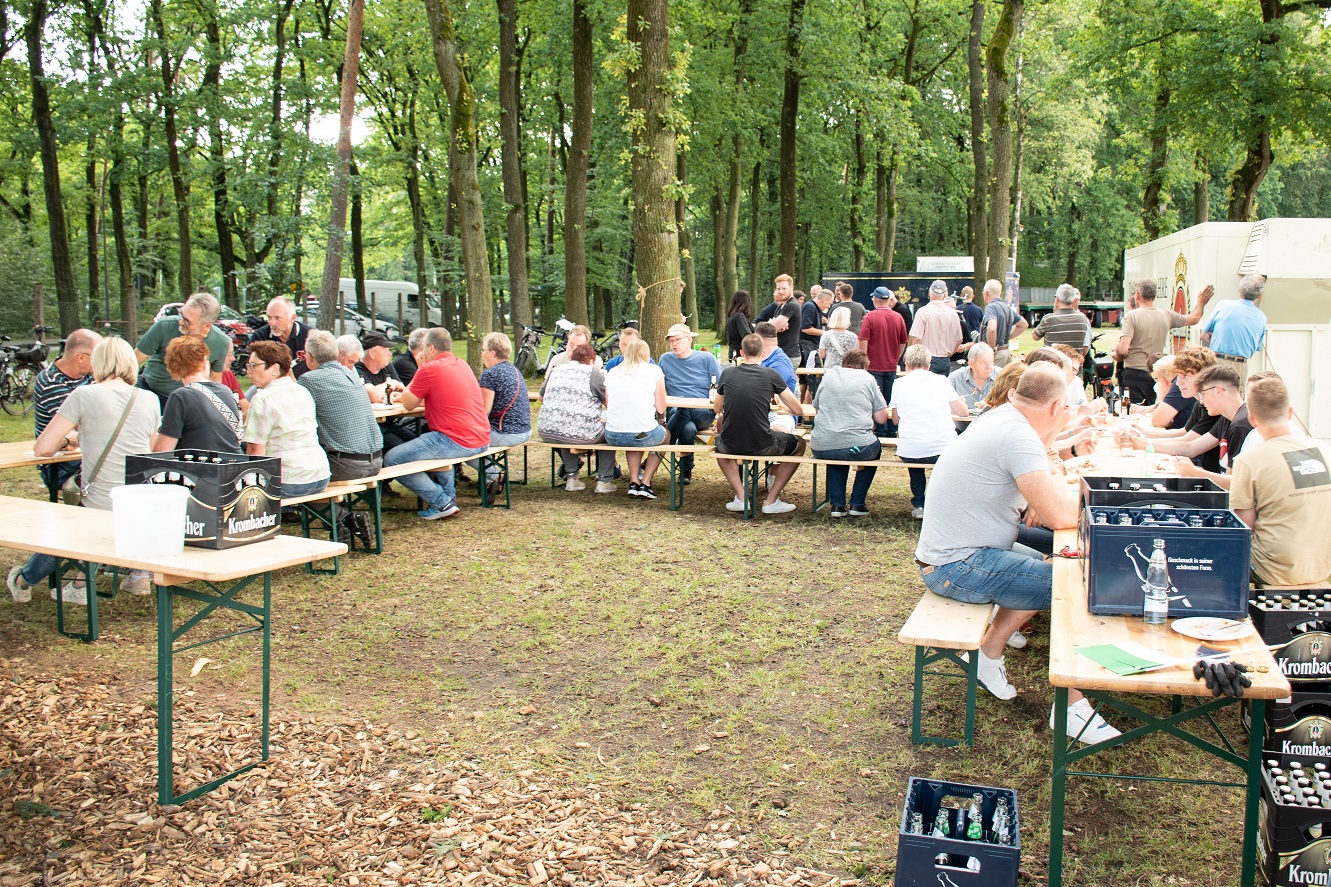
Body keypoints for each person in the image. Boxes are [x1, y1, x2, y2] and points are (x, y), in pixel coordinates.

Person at [915, 362, 1120, 744]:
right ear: (1056, 407)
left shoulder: (1004, 419)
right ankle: (1072, 708)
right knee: (1076, 587)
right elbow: (1060, 515)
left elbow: (1048, 486)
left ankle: (988, 655)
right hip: (957, 565)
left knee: (1057, 563)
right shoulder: (1017, 435)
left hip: (958, 554)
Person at [7, 338, 160, 605]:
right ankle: (79, 583)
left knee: (67, 530)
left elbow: (43, 448)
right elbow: (150, 451)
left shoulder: (84, 395)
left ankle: (24, 580)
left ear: (98, 362)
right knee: (85, 522)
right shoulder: (149, 399)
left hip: (99, 501)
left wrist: (69, 440)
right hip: (138, 501)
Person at [1230, 375, 1331, 586]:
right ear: (1290, 412)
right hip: (1322, 564)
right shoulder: (1323, 450)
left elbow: (1244, 528)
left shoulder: (1248, 461)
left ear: (1252, 420)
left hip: (1271, 569)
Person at [386, 327, 492, 519]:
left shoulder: (429, 369)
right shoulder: (462, 364)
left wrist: (420, 369)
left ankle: (441, 502)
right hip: (481, 436)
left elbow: (409, 404)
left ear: (432, 348)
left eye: (424, 349)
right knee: (433, 442)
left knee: (392, 459)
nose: (422, 353)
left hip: (455, 439)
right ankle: (448, 499)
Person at [713, 333, 806, 514]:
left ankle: (741, 497)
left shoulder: (727, 373)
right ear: (763, 353)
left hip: (731, 444)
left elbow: (717, 407)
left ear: (742, 353)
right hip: (764, 443)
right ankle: (771, 500)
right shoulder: (771, 375)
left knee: (719, 445)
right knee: (800, 444)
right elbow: (798, 410)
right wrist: (781, 405)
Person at [242, 340, 331, 497]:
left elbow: (256, 450)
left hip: (289, 480)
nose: (249, 371)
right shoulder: (302, 390)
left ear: (275, 368)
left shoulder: (263, 398)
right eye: (248, 365)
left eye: (254, 366)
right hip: (320, 475)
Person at [890, 346, 969, 518]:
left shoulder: (899, 383)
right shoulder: (941, 381)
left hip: (911, 449)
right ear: (929, 364)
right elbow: (963, 412)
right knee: (944, 461)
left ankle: (919, 503)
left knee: (915, 459)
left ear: (907, 364)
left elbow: (895, 420)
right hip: (942, 448)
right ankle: (941, 503)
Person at [810, 349, 888, 517]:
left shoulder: (829, 375)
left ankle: (837, 505)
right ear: (864, 366)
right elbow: (882, 418)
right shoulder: (868, 378)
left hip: (821, 445)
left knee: (836, 449)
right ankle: (857, 503)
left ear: (844, 362)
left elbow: (816, 408)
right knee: (870, 448)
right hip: (857, 445)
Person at [299, 329, 384, 481]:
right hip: (376, 461)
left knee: (292, 467)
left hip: (345, 465)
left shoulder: (308, 380)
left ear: (309, 356)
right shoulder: (350, 374)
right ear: (337, 353)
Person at [1113, 278, 1212, 405]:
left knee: (1133, 409)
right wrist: (1201, 303)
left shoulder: (1132, 316)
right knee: (1153, 406)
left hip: (1134, 372)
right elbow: (1194, 318)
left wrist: (1116, 353)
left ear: (1137, 295)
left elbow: (1122, 350)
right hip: (1155, 371)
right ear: (1154, 296)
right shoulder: (1166, 315)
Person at [1153, 364, 1253, 487]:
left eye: (1203, 394)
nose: (1201, 401)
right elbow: (1191, 447)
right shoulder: (1226, 419)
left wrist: (1195, 472)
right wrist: (1143, 444)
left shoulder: (1241, 425)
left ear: (1218, 391)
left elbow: (1235, 484)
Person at [537, 343, 615, 493]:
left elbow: (541, 397)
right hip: (580, 433)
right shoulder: (593, 372)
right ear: (591, 361)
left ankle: (572, 478)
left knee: (566, 426)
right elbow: (609, 402)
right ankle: (605, 480)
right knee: (610, 433)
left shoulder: (556, 370)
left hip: (546, 430)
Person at [32, 328, 99, 496]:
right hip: (61, 465)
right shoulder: (50, 381)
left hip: (86, 455)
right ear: (81, 357)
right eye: (98, 357)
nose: (101, 362)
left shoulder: (90, 376)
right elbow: (80, 424)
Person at [134, 291, 230, 406]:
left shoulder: (221, 343)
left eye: (187, 321)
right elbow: (133, 361)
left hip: (187, 401)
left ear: (207, 325)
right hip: (148, 390)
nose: (180, 322)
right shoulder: (165, 326)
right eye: (181, 315)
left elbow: (214, 380)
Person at [152, 336, 243, 453]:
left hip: (199, 463)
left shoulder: (181, 396)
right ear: (204, 362)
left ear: (171, 368)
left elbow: (162, 451)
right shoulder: (226, 391)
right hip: (232, 461)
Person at [604, 339, 671, 498]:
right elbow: (661, 407)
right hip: (641, 434)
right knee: (665, 436)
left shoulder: (613, 372)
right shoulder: (654, 371)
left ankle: (633, 481)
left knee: (632, 434)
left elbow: (608, 403)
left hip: (613, 435)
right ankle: (645, 482)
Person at [659, 322, 720, 485]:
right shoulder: (665, 359)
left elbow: (721, 387)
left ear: (689, 339)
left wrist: (722, 416)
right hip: (675, 411)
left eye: (677, 340)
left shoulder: (706, 358)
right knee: (687, 428)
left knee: (685, 409)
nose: (674, 344)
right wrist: (660, 415)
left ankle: (659, 451)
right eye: (671, 341)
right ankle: (686, 470)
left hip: (703, 412)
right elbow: (659, 389)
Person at [473, 331, 532, 499]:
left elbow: (483, 411)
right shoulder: (515, 371)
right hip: (524, 430)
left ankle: (495, 475)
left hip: (505, 432)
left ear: (492, 353)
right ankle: (489, 480)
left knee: (462, 443)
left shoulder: (490, 374)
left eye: (483, 350)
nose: (482, 354)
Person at [857, 287, 909, 436]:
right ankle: (891, 430)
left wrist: (864, 360)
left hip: (873, 365)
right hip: (891, 365)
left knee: (876, 400)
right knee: (891, 399)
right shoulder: (898, 317)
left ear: (875, 300)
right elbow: (903, 341)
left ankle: (880, 430)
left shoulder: (870, 317)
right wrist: (896, 357)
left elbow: (863, 340)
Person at [1200, 273, 1267, 385]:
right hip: (1240, 365)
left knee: (1213, 393)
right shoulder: (1261, 317)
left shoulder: (1223, 305)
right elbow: (1256, 347)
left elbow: (1203, 335)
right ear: (1259, 295)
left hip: (1217, 362)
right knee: (1236, 395)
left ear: (1239, 290)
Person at [247, 296, 312, 376]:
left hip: (302, 382)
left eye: (277, 318)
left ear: (292, 318)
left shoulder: (309, 336)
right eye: (269, 317)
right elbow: (254, 369)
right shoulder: (260, 337)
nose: (272, 323)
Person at [909, 280, 964, 375]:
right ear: (945, 294)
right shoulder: (953, 314)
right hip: (945, 360)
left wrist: (910, 357)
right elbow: (959, 339)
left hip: (926, 360)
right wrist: (950, 353)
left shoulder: (922, 312)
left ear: (929, 293)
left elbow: (915, 338)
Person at [1032, 284, 1091, 360]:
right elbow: (1085, 348)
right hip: (1074, 365)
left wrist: (1055, 312)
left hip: (1052, 365)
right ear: (1074, 300)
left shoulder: (1049, 319)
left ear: (1057, 299)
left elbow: (1035, 337)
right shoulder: (1083, 319)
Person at [980, 279, 1028, 369]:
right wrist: (1008, 337)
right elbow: (1023, 324)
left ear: (986, 293)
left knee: (991, 377)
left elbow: (992, 329)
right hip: (1006, 351)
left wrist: (991, 350)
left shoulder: (991, 307)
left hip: (997, 353)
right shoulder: (1007, 308)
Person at [754, 274, 802, 359]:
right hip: (780, 354)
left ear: (791, 287)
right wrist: (771, 323)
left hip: (788, 355)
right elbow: (772, 327)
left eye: (784, 288)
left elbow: (771, 329)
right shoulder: (781, 306)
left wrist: (772, 324)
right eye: (778, 288)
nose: (781, 291)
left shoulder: (791, 305)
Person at [948, 342, 995, 410]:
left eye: (991, 362)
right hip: (963, 416)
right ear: (971, 364)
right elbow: (942, 403)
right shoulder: (955, 378)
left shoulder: (1002, 376)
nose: (989, 367)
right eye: (984, 363)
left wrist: (995, 404)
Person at [800, 287, 833, 370]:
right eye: (829, 303)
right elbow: (805, 328)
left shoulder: (812, 307)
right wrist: (825, 333)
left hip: (809, 346)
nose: (829, 306)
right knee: (814, 374)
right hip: (807, 346)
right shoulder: (810, 307)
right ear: (824, 300)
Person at [725, 291, 755, 361]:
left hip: (734, 353)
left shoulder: (733, 316)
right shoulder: (739, 317)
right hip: (740, 355)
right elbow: (747, 336)